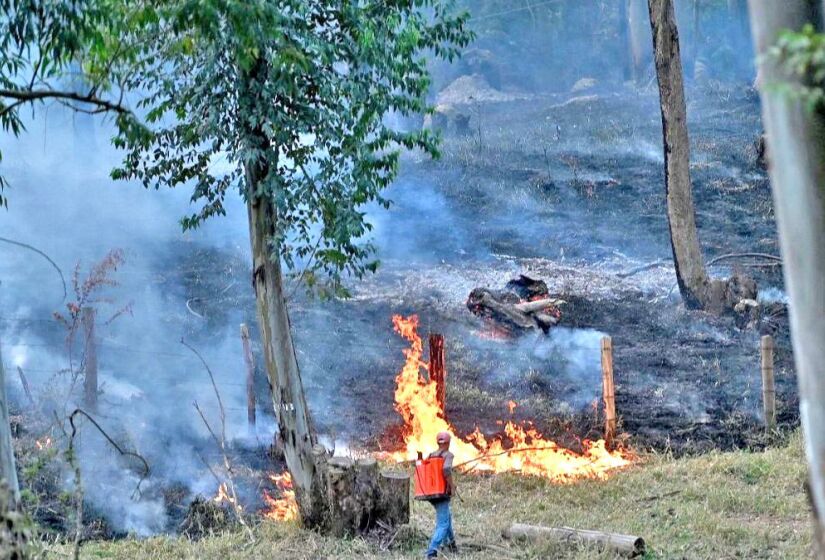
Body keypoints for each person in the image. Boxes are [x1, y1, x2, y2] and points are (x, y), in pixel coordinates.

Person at [426, 431, 457, 558]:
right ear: (448, 443)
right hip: (441, 493)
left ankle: (451, 544)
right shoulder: (448, 455)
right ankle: (431, 551)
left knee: (447, 517)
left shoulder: (431, 455)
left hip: (430, 493)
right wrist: (451, 485)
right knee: (443, 524)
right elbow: (446, 469)